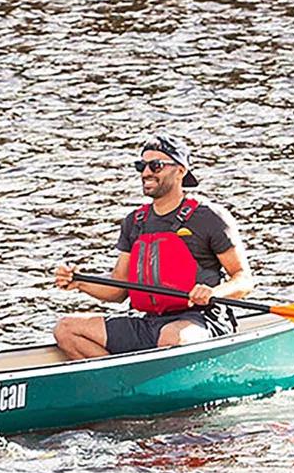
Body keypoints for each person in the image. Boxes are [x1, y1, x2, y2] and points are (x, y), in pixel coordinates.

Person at [51, 134, 253, 359]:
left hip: (199, 320)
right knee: (66, 329)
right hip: (148, 322)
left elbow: (244, 279)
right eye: (141, 166)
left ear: (180, 171)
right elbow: (119, 290)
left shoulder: (209, 217)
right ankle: (124, 386)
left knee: (172, 338)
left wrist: (214, 292)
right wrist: (80, 282)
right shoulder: (135, 222)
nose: (146, 173)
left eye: (155, 166)